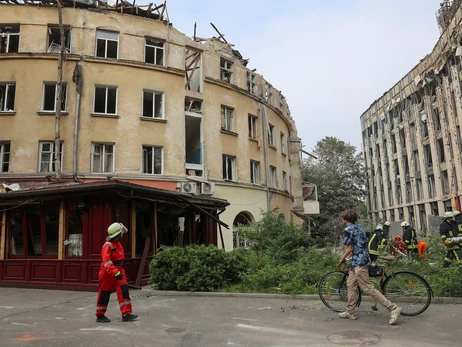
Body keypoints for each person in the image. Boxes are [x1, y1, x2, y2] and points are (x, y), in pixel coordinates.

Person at [338, 209, 402, 325]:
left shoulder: (348, 230)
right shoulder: (359, 228)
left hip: (359, 262)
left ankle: (393, 308)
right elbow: (360, 244)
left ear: (345, 219)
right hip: (361, 259)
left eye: (342, 218)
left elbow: (349, 248)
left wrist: (342, 259)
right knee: (351, 284)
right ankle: (350, 311)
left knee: (367, 287)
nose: (341, 220)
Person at [95, 222, 138, 323]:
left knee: (124, 290)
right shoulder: (108, 245)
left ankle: (126, 313)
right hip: (108, 272)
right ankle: (100, 315)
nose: (123, 233)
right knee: (104, 294)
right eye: (121, 231)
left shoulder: (117, 243)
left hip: (118, 270)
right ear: (118, 233)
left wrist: (118, 271)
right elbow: (107, 262)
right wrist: (115, 271)